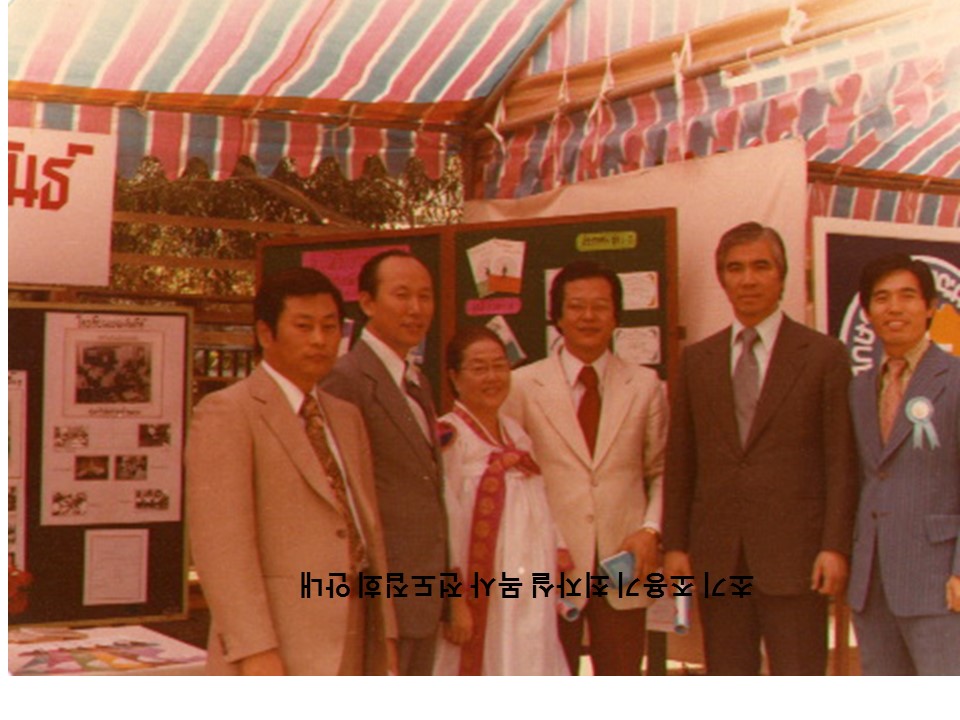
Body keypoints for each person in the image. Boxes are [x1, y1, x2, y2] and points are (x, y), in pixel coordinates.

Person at [663, 221, 859, 675]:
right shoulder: (697, 361)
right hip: (718, 555)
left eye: (760, 266)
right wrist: (675, 546)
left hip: (797, 557)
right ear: (721, 278)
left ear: (781, 275)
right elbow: (681, 462)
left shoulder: (823, 355)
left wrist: (835, 546)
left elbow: (841, 463)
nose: (747, 279)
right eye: (735, 268)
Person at [185, 268, 396, 675]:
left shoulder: (345, 417)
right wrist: (255, 649)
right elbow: (221, 548)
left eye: (329, 327)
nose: (319, 339)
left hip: (357, 630)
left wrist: (384, 634)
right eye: (304, 326)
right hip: (280, 642)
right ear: (266, 334)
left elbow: (368, 532)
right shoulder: (230, 412)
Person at [503, 260, 667, 675]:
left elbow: (661, 470)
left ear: (616, 316)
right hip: (550, 561)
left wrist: (651, 530)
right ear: (557, 316)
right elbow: (515, 477)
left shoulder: (645, 385)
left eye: (600, 306)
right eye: (576, 306)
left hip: (625, 561)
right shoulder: (522, 385)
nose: (588, 316)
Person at [321, 250, 447, 675]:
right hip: (381, 597)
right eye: (402, 295)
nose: (416, 308)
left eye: (425, 296)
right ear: (368, 302)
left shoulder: (416, 379)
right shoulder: (346, 378)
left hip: (424, 589)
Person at [847, 254, 960, 674]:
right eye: (882, 298)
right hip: (872, 583)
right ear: (867, 311)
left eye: (907, 296)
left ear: (931, 307)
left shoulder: (955, 379)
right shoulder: (859, 388)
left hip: (939, 584)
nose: (894, 308)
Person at [434, 326, 570, 676]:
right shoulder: (450, 436)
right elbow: (442, 522)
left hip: (528, 590)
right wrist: (454, 600)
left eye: (499, 366)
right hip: (482, 591)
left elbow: (538, 503)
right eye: (479, 368)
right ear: (455, 377)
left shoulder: (515, 432)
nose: (492, 377)